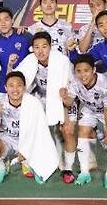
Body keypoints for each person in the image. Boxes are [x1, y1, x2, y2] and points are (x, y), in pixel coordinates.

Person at [15, 31, 78, 183]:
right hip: (41, 99)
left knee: (66, 131)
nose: (40, 51)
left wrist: (65, 101)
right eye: (37, 47)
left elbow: (73, 89)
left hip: (64, 100)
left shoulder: (62, 62)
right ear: (32, 49)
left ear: (51, 47)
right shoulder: (30, 61)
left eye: (44, 46)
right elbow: (17, 81)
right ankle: (29, 160)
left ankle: (67, 168)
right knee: (29, 124)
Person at [0, 71, 58, 185]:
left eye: (19, 85)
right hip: (7, 139)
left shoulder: (33, 102)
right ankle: (2, 168)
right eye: (11, 86)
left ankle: (34, 167)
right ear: (5, 88)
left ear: (24, 87)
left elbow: (39, 131)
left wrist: (26, 149)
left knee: (41, 150)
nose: (15, 89)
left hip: (28, 139)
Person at [60, 54, 107, 188]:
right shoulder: (75, 82)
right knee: (83, 131)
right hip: (89, 109)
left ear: (93, 70)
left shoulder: (106, 84)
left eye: (86, 71)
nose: (82, 75)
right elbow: (70, 101)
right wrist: (65, 98)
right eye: (78, 71)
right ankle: (84, 172)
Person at [0, 7, 32, 94]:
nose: (3, 23)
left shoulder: (25, 36)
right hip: (5, 89)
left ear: (12, 20)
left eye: (6, 19)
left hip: (27, 87)